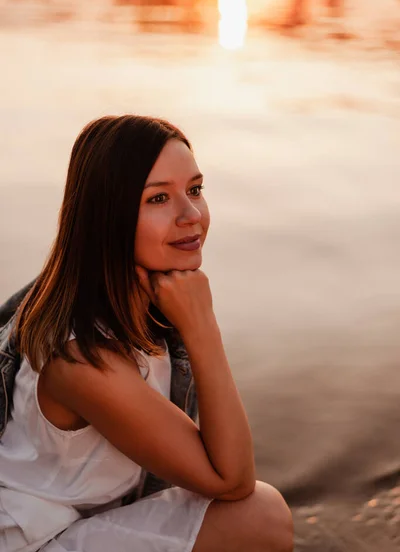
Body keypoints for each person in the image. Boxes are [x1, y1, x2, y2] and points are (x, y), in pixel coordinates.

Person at [0, 115, 293, 552]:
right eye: (158, 198)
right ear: (108, 217)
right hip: (35, 542)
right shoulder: (79, 358)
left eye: (194, 189)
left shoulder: (137, 306)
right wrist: (203, 328)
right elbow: (231, 481)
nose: (192, 214)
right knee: (259, 516)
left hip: (93, 520)